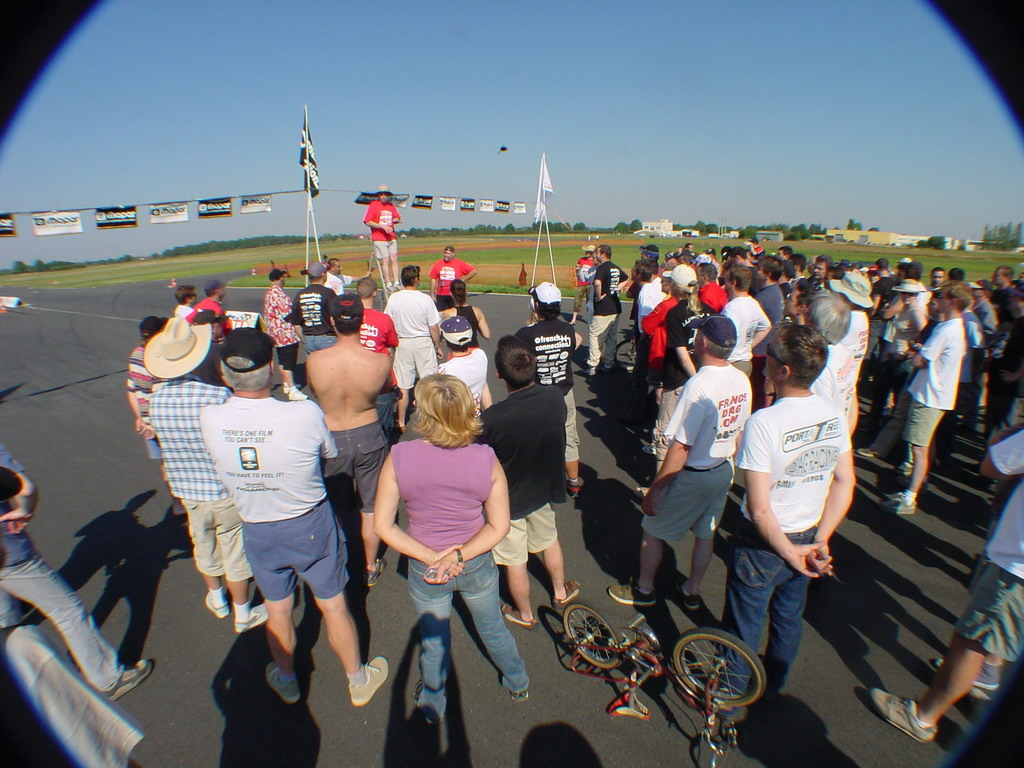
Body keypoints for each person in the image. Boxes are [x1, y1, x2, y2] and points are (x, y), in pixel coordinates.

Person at [200, 329, 389, 707]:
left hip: (257, 525)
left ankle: (287, 678)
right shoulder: (303, 413)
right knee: (333, 604)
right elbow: (328, 451)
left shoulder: (209, 417)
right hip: (308, 522)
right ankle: (357, 679)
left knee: (278, 608)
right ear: (271, 368)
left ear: (225, 374)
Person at [373, 374, 530, 724]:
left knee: (433, 640)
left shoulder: (399, 456)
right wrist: (457, 556)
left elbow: (383, 526)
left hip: (425, 565)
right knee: (492, 628)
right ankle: (517, 681)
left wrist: (435, 558)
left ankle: (433, 701)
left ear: (423, 413)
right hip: (474, 563)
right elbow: (499, 526)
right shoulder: (485, 458)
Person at [722, 323, 855, 695]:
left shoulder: (763, 423)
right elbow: (845, 481)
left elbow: (760, 509)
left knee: (743, 624)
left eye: (770, 355)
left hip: (763, 543)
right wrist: (820, 539)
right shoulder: (833, 414)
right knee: (787, 617)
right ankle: (774, 685)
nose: (764, 359)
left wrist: (787, 551)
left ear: (783, 371)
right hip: (808, 533)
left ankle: (729, 696)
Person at [868, 427, 1024, 742]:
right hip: (1014, 563)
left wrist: (1005, 434)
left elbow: (992, 464)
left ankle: (922, 717)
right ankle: (982, 677)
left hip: (1015, 570)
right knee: (986, 642)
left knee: (970, 643)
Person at [608, 315, 752, 608]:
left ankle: (644, 589)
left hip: (693, 473)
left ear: (704, 342)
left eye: (698, 335)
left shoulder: (698, 385)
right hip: (722, 468)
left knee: (652, 529)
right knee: (705, 533)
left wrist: (657, 488)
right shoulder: (741, 379)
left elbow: (681, 447)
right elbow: (740, 431)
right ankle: (691, 590)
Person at [0, 442, 153, 700]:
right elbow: (26, 488)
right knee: (67, 610)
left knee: (6, 619)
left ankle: (14, 675)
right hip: (9, 554)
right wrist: (25, 510)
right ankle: (107, 677)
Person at [146, 318, 268, 634]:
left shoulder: (156, 399)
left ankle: (216, 598)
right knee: (234, 551)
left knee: (203, 545)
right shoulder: (216, 396)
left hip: (187, 489)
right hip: (223, 489)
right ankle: (242, 611)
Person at [483, 337, 579, 627]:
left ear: (499, 374)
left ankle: (524, 614)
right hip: (543, 489)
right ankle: (560, 591)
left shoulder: (493, 418)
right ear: (533, 365)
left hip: (508, 500)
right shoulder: (554, 397)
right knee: (549, 541)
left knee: (515, 560)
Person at [306, 294, 393, 587]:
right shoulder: (380, 360)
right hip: (367, 431)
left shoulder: (315, 360)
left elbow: (316, 392)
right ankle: (370, 564)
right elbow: (385, 388)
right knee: (370, 506)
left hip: (331, 435)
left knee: (338, 507)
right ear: (362, 320)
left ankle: (342, 561)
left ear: (332, 321)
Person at [878, 281, 969, 516]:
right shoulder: (956, 327)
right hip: (938, 395)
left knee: (918, 448)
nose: (936, 301)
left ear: (953, 301)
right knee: (928, 445)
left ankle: (910, 497)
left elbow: (921, 361)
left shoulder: (945, 329)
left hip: (929, 396)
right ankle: (920, 481)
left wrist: (914, 352)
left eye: (941, 297)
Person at [515, 283, 585, 498]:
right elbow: (578, 340)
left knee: (535, 437)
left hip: (537, 396)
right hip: (563, 394)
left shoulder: (525, 334)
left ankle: (536, 479)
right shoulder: (568, 329)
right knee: (569, 437)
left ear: (536, 305)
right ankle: (573, 482)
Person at [651, 265, 709, 460]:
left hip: (678, 378)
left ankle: (661, 476)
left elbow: (682, 355)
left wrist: (697, 381)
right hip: (702, 372)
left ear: (675, 287)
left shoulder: (675, 313)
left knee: (664, 433)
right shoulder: (708, 310)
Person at [385, 265, 444, 432]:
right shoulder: (424, 299)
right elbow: (434, 326)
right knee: (429, 382)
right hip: (422, 341)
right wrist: (438, 345)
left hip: (403, 342)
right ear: (415, 280)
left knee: (403, 385)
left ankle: (401, 421)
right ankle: (432, 419)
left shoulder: (394, 298)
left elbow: (388, 321)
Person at [356, 277, 401, 440]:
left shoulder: (351, 318)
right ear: (374, 293)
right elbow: (393, 342)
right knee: (383, 422)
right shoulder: (383, 319)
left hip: (357, 375)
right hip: (380, 377)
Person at [808, 293, 857, 428]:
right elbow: (852, 397)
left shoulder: (819, 366)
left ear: (814, 325)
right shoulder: (846, 353)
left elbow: (817, 417)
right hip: (842, 429)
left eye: (807, 314)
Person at [126, 316, 168, 460]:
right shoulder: (158, 359)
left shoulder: (136, 355)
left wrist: (141, 418)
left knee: (163, 462)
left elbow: (132, 390)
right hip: (160, 422)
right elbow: (160, 395)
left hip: (146, 421)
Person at [262, 268, 307, 401]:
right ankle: (292, 389)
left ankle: (287, 383)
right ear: (277, 279)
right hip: (285, 333)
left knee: (282, 359)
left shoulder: (269, 293)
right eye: (283, 278)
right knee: (289, 361)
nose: (284, 280)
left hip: (275, 333)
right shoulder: (278, 294)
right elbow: (288, 313)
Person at [585, 244, 629, 375]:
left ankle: (593, 364)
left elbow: (597, 282)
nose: (596, 255)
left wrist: (599, 296)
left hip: (603, 308)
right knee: (611, 336)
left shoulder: (602, 268)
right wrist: (615, 290)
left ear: (603, 255)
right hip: (615, 306)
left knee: (595, 335)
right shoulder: (615, 267)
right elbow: (625, 278)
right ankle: (608, 362)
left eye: (598, 253)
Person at [722, 264, 771, 377]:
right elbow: (766, 327)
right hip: (746, 361)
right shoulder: (753, 303)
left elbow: (728, 336)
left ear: (733, 283)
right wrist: (747, 346)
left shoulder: (732, 308)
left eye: (726, 281)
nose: (724, 285)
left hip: (732, 363)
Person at [437, 316, 492, 414]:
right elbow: (484, 385)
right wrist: (490, 412)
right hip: (475, 415)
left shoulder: (445, 369)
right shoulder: (480, 355)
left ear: (446, 341)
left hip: (456, 418)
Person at [288, 262, 336, 354]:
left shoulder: (300, 294)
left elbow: (296, 323)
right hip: (327, 338)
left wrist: (304, 339)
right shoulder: (328, 293)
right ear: (323, 275)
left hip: (309, 339)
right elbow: (335, 317)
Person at [364, 185, 401, 291]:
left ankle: (396, 282)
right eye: (382, 194)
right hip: (379, 238)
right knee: (386, 259)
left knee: (394, 257)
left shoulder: (391, 206)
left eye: (386, 194)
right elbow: (367, 221)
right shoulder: (373, 205)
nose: (384, 196)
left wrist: (394, 220)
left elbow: (397, 217)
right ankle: (388, 283)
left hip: (391, 237)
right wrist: (381, 226)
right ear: (378, 195)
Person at [439, 279, 490, 348]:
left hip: (458, 350)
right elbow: (486, 335)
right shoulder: (477, 311)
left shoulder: (448, 313)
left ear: (451, 293)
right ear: (466, 291)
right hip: (474, 348)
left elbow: (439, 333)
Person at [429, 246, 477, 310]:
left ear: (453, 254)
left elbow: (474, 271)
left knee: (455, 312)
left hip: (454, 294)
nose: (446, 255)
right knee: (441, 313)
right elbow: (433, 279)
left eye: (448, 254)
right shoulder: (438, 264)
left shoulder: (459, 264)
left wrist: (462, 281)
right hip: (441, 294)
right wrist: (432, 295)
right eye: (445, 253)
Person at [570, 244, 597, 325]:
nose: (586, 253)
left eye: (588, 252)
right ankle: (574, 318)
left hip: (590, 284)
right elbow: (577, 270)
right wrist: (577, 270)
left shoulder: (594, 262)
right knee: (577, 301)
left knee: (590, 302)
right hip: (581, 283)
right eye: (586, 251)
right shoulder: (581, 260)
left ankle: (590, 318)